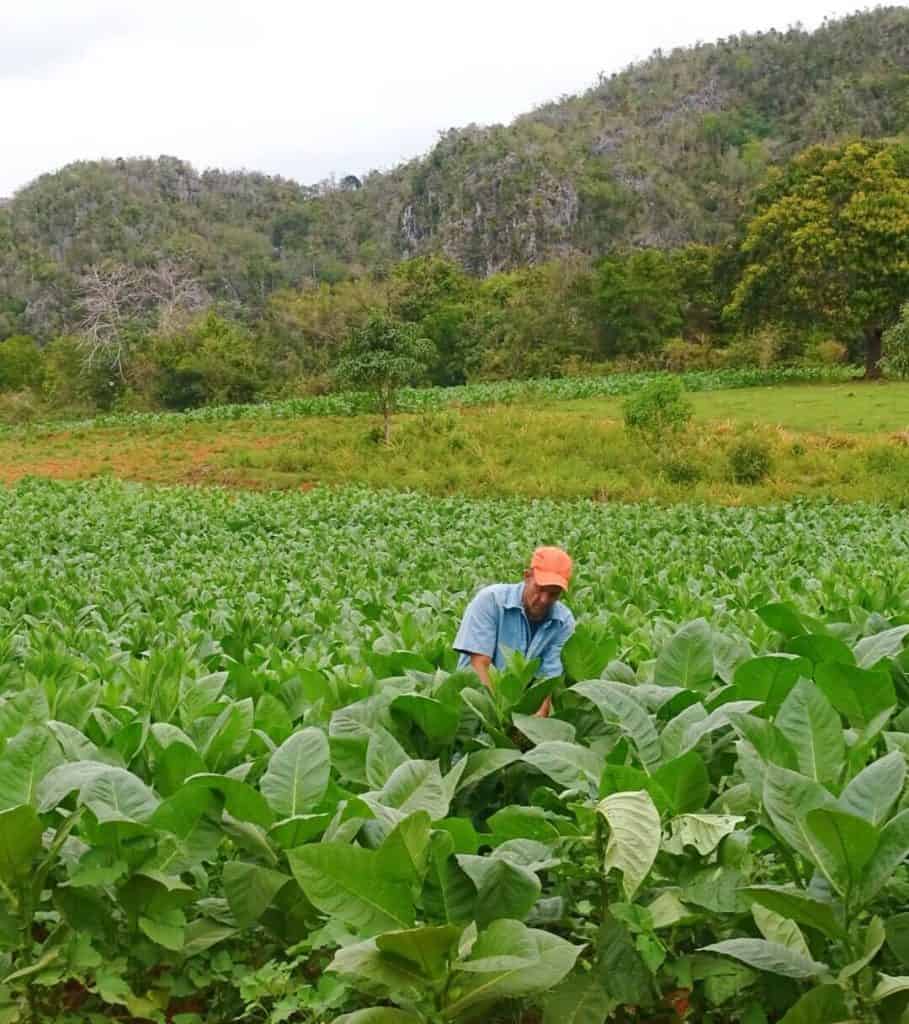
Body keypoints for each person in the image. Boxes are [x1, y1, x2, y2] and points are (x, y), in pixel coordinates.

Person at [453, 546, 575, 716]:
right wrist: (500, 718)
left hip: (520, 714)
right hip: (473, 707)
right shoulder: (491, 601)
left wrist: (533, 725)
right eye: (540, 589)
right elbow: (480, 665)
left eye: (554, 594)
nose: (544, 600)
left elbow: (546, 682)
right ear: (527, 576)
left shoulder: (563, 622)